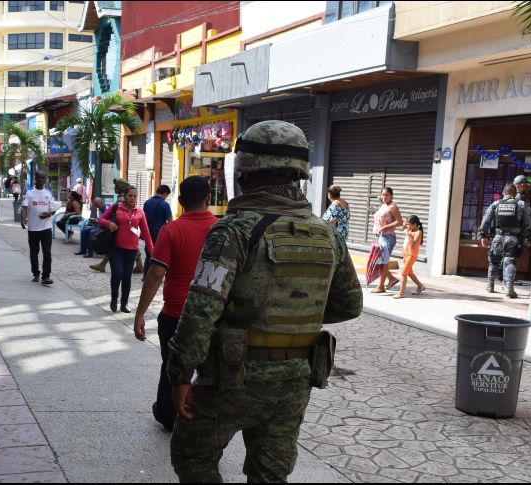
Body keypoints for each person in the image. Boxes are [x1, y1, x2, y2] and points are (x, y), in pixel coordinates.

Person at [167, 120, 363, 483]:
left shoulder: (234, 230)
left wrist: (179, 375)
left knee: (193, 455)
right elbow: (349, 304)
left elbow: (200, 312)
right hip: (296, 378)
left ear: (245, 169)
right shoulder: (327, 233)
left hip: (232, 377)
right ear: (299, 173)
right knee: (270, 474)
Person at [134, 176, 217, 432]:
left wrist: (140, 314)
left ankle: (169, 416)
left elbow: (156, 274)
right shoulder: (222, 230)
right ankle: (203, 417)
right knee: (210, 370)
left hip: (175, 314)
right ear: (209, 199)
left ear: (180, 202)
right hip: (213, 316)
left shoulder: (171, 231)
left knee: (172, 367)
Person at [98, 185, 153, 313]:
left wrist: (152, 249)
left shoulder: (140, 212)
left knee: (127, 277)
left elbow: (146, 232)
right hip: (116, 248)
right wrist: (109, 223)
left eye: (135, 196)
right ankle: (113, 299)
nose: (132, 198)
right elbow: (101, 219)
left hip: (131, 250)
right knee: (117, 273)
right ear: (124, 196)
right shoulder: (116, 207)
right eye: (130, 195)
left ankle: (124, 303)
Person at [479, 183, 531, 298]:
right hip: (513, 238)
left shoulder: (496, 204)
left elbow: (485, 221)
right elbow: (529, 223)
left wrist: (483, 235)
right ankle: (509, 289)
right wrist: (525, 236)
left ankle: (490, 286)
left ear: (503, 193)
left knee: (494, 261)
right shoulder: (521, 204)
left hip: (498, 237)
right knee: (510, 261)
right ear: (514, 193)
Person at [89, 178, 145, 274]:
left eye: (116, 186)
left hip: (123, 226)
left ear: (120, 187)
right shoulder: (123, 197)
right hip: (128, 227)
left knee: (115, 244)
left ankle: (103, 264)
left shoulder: (123, 198)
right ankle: (139, 264)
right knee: (131, 244)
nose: (115, 188)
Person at [22, 172, 57, 285]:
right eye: (39, 178)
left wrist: (49, 214)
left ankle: (46, 277)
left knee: (47, 252)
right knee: (34, 252)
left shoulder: (48, 193)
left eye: (43, 177)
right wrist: (23, 218)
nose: (41, 179)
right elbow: (25, 207)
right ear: (35, 179)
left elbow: (53, 208)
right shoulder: (29, 193)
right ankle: (36, 273)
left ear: (45, 179)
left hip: (46, 228)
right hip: (33, 228)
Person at [370, 186, 402, 293]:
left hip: (388, 237)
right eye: (383, 195)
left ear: (391, 196)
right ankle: (391, 279)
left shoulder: (393, 207)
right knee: (379, 261)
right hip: (380, 237)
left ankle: (381, 286)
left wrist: (385, 227)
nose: (384, 197)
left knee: (383, 262)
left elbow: (399, 222)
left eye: (387, 195)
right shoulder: (383, 205)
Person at [143, 185, 173, 276]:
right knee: (158, 255)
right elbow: (170, 221)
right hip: (159, 233)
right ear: (164, 194)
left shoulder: (147, 203)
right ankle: (154, 275)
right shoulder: (165, 204)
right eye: (166, 195)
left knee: (148, 253)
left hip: (147, 232)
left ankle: (146, 275)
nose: (166, 197)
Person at [394, 215, 425, 299]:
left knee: (404, 273)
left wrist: (407, 233)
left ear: (415, 225)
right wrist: (405, 224)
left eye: (409, 224)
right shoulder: (410, 230)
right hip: (406, 254)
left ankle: (401, 293)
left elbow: (413, 243)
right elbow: (403, 228)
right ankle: (420, 286)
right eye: (407, 225)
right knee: (410, 273)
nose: (407, 226)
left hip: (412, 255)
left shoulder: (418, 232)